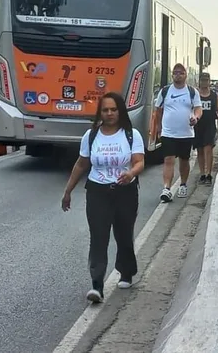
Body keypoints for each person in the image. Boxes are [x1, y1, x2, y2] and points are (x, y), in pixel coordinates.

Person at [61, 92, 145, 304]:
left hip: (125, 192)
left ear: (120, 111)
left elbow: (139, 162)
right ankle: (97, 284)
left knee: (124, 234)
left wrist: (131, 173)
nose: (109, 113)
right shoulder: (91, 136)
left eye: (113, 109)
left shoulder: (131, 135)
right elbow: (81, 164)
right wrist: (68, 191)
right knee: (98, 238)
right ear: (100, 112)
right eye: (105, 110)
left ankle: (126, 272)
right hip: (97, 191)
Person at [154, 63, 202, 202]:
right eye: (175, 72)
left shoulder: (192, 92)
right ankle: (166, 188)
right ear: (172, 75)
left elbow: (198, 109)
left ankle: (183, 184)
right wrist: (158, 128)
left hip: (186, 133)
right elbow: (158, 110)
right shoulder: (165, 91)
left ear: (185, 75)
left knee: (184, 160)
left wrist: (196, 118)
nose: (178, 75)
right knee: (168, 160)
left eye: (181, 73)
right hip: (168, 133)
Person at [194, 72, 218, 184]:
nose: (204, 82)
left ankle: (208, 174)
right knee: (200, 150)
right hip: (198, 126)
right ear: (199, 81)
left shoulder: (214, 96)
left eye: (206, 80)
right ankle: (202, 173)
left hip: (210, 126)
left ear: (209, 81)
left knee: (208, 149)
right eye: (202, 80)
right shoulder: (195, 95)